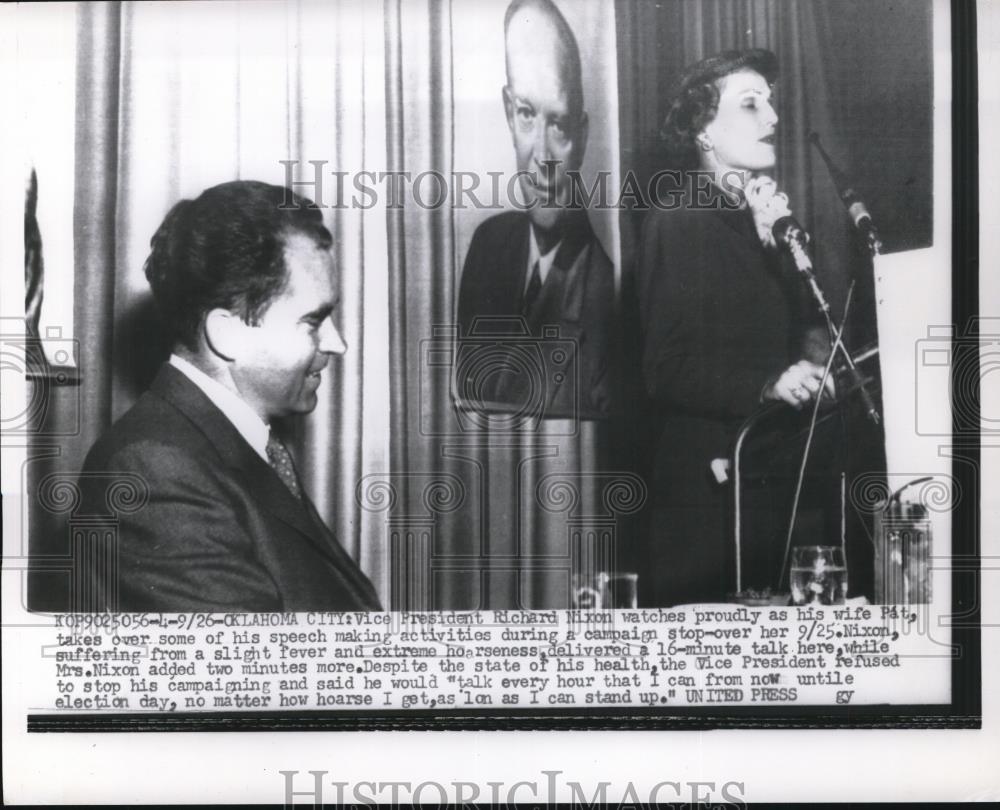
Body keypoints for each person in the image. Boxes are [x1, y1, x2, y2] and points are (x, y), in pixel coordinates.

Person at [78, 180, 382, 612]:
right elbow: (249, 674)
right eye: (313, 322)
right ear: (228, 334)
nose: (337, 344)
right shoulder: (156, 469)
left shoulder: (234, 443)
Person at [637, 49, 833, 606]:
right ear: (703, 130)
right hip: (703, 503)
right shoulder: (676, 221)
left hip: (767, 481)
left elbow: (811, 336)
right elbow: (663, 371)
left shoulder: (764, 226)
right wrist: (767, 385)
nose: (773, 118)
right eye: (751, 105)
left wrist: (780, 250)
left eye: (771, 103)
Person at [456, 0, 616, 420]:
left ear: (581, 136)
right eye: (527, 114)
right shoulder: (488, 245)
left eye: (559, 124)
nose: (541, 157)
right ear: (509, 114)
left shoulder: (608, 283)